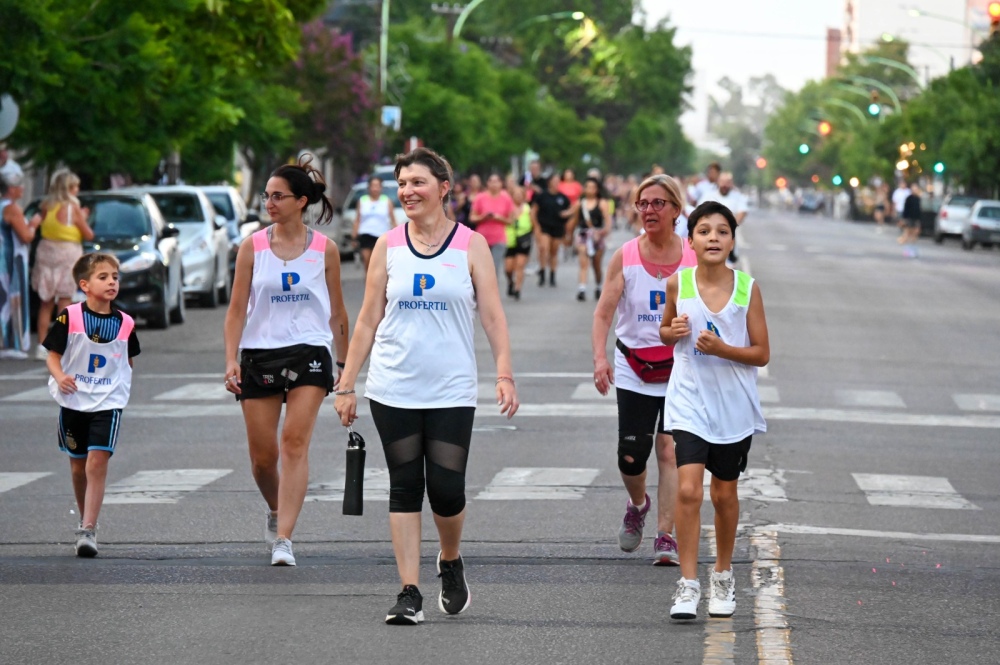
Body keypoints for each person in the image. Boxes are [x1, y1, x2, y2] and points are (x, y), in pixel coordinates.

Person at [333, 147, 519, 626]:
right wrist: (347, 382)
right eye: (402, 184)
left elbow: (493, 315)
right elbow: (369, 317)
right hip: (393, 385)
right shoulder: (388, 244)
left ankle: (450, 559)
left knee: (446, 489)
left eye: (417, 182)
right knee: (405, 485)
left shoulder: (471, 245)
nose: (407, 191)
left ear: (443, 187)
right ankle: (409, 591)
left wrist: (504, 372)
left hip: (451, 388)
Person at [223, 155, 350, 567]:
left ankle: (284, 538)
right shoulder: (252, 246)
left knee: (294, 442)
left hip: (311, 353)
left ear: (301, 201)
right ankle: (277, 508)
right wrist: (231, 360)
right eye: (267, 196)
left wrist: (344, 367)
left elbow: (337, 314)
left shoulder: (325, 250)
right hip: (260, 353)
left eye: (278, 196)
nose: (269, 203)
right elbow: (237, 309)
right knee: (263, 458)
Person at [659, 201, 769, 621]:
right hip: (689, 400)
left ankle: (722, 575)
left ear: (732, 240)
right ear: (691, 240)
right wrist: (673, 331)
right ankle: (687, 584)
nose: (713, 239)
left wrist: (722, 348)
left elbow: (761, 353)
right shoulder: (678, 283)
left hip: (733, 407)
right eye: (704, 231)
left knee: (724, 494)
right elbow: (666, 330)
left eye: (722, 232)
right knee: (688, 490)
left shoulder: (747, 289)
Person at [592, 174, 697, 566]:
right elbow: (603, 312)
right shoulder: (626, 255)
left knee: (669, 451)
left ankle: (666, 536)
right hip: (634, 365)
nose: (649, 211)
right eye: (643, 204)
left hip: (679, 367)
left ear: (676, 210)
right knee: (631, 456)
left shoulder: (692, 255)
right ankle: (638, 503)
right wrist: (600, 359)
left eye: (657, 204)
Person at [42, 253, 141, 557]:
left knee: (96, 463)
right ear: (84, 285)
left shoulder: (125, 322)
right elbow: (52, 355)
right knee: (77, 466)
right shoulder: (68, 317)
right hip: (73, 400)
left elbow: (129, 359)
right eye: (103, 277)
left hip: (107, 402)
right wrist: (60, 377)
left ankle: (88, 529)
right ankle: (86, 518)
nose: (112, 281)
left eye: (115, 276)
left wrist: (116, 384)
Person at [31, 169, 94, 360]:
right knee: (65, 301)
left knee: (46, 302)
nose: (77, 190)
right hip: (67, 254)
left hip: (46, 253)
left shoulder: (46, 206)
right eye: (75, 187)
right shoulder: (72, 208)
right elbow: (88, 234)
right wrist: (84, 217)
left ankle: (41, 345)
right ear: (68, 188)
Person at [1, 173, 40, 358]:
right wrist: (33, 224)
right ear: (11, 189)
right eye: (19, 186)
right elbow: (26, 236)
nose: (22, 189)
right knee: (13, 299)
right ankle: (12, 343)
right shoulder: (11, 209)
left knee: (4, 299)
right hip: (12, 260)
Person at [569, 177, 611, 302]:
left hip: (597, 235)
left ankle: (598, 286)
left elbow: (608, 221)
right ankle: (582, 288)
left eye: (593, 187)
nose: (590, 190)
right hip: (583, 235)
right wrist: (569, 236)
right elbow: (575, 221)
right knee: (583, 260)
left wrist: (603, 232)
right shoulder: (579, 204)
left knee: (596, 264)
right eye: (588, 187)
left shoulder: (602, 203)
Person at [469, 172, 516, 273]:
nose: (494, 184)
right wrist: (483, 217)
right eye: (491, 181)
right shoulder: (480, 197)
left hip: (499, 239)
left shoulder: (506, 198)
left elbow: (511, 220)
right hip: (482, 238)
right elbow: (472, 217)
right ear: (487, 183)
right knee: (480, 268)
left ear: (501, 183)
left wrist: (499, 218)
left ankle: (492, 288)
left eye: (496, 181)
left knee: (494, 267)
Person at [531, 172, 571, 287]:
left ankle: (553, 274)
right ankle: (542, 272)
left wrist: (567, 214)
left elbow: (570, 211)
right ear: (549, 182)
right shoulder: (542, 196)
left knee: (554, 252)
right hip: (544, 226)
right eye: (554, 181)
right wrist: (536, 227)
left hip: (557, 227)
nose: (556, 183)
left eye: (557, 181)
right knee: (544, 249)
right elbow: (533, 211)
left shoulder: (562, 198)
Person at [698, 173, 748, 263]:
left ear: (731, 183)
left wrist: (729, 226)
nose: (724, 185)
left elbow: (742, 212)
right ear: (718, 182)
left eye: (727, 182)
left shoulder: (737, 197)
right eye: (722, 182)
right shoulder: (709, 196)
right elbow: (698, 211)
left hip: (728, 239)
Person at [352, 176, 398, 272]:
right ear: (369, 187)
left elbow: (393, 220)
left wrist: (397, 235)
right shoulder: (362, 200)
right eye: (373, 186)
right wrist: (354, 237)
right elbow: (357, 219)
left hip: (381, 236)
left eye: (377, 186)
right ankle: (369, 284)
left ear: (381, 187)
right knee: (367, 261)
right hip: (366, 235)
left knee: (380, 263)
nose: (375, 188)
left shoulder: (386, 201)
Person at [504, 185, 532, 300]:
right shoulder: (507, 208)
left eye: (520, 195)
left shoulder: (527, 208)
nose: (518, 197)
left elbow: (533, 223)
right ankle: (511, 281)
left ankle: (517, 288)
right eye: (516, 195)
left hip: (524, 238)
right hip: (509, 239)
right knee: (509, 269)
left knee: (520, 265)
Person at [900, 182, 922, 258]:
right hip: (909, 218)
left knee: (914, 234)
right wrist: (904, 219)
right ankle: (907, 249)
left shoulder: (918, 199)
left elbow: (919, 210)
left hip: (916, 219)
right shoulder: (909, 198)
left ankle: (913, 249)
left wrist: (919, 220)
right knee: (908, 233)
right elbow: (906, 209)